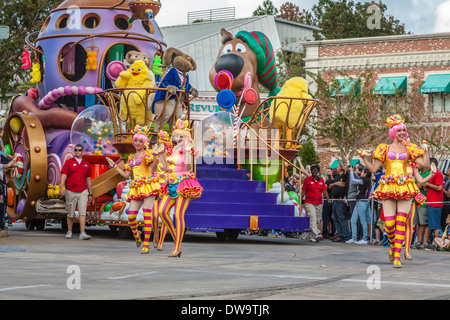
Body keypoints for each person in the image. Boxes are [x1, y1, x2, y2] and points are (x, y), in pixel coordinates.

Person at [360, 114, 430, 268]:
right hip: (389, 186)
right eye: (399, 131)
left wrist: (426, 151)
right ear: (393, 132)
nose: (402, 133)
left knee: (401, 222)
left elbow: (425, 165)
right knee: (390, 224)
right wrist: (364, 158)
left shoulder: (409, 148)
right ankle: (392, 246)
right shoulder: (384, 148)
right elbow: (373, 168)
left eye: (404, 130)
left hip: (405, 186)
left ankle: (397, 256)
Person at [107, 126, 160, 253]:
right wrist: (115, 166)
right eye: (136, 140)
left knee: (147, 214)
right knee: (131, 217)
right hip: (136, 186)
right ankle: (137, 236)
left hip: (148, 185)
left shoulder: (148, 154)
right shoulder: (131, 157)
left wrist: (156, 155)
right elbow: (126, 175)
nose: (137, 143)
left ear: (144, 142)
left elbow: (153, 169)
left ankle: (146, 244)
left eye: (140, 141)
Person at [157, 119, 203, 257]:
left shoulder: (188, 150)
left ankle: (177, 247)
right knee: (162, 211)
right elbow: (165, 168)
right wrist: (160, 154)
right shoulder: (173, 150)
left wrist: (189, 152)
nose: (178, 139)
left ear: (187, 138)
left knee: (178, 215)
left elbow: (188, 167)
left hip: (183, 184)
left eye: (181, 137)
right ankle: (176, 235)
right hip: (171, 183)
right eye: (176, 137)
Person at [60, 144, 93, 240]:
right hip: (70, 190)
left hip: (83, 190)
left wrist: (90, 193)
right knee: (70, 212)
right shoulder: (69, 162)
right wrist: (61, 188)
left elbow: (88, 179)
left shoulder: (87, 163)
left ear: (82, 151)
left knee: (82, 212)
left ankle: (82, 233)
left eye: (79, 150)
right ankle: (69, 231)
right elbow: (64, 175)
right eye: (76, 150)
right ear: (74, 151)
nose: (78, 151)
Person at [301, 164, 331, 243]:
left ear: (318, 171)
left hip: (319, 202)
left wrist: (328, 199)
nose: (314, 172)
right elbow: (303, 191)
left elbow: (324, 190)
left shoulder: (321, 180)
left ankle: (312, 236)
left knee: (317, 220)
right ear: (311, 171)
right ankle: (317, 233)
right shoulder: (307, 180)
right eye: (313, 170)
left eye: (316, 170)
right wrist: (300, 200)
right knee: (313, 218)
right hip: (309, 202)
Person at [346, 168, 372, 244]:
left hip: (363, 202)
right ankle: (354, 238)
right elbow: (353, 180)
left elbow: (353, 180)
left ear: (366, 174)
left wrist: (351, 171)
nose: (361, 173)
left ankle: (365, 239)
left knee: (363, 220)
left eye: (362, 172)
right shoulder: (363, 179)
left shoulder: (366, 180)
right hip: (358, 201)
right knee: (353, 220)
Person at [424, 158, 444, 248]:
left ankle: (437, 244)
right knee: (432, 224)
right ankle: (431, 243)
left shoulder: (437, 174)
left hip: (435, 203)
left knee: (436, 225)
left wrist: (428, 184)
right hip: (431, 202)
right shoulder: (432, 174)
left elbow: (439, 188)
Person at [329, 160, 351, 243]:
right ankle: (340, 235)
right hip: (335, 200)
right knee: (336, 219)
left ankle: (346, 236)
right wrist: (336, 183)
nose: (338, 168)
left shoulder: (345, 175)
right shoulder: (337, 177)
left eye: (338, 166)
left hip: (340, 200)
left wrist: (338, 158)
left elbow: (343, 168)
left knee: (342, 218)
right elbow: (330, 186)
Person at [412, 164, 431, 250]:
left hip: (423, 202)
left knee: (423, 223)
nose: (417, 165)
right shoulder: (418, 174)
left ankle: (422, 241)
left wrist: (417, 186)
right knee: (418, 223)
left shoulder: (428, 174)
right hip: (416, 202)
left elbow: (418, 186)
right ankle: (418, 241)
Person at [0, 156, 17, 231]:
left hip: (1, 188)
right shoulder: (0, 165)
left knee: (2, 204)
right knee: (1, 204)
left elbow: (6, 169)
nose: (0, 158)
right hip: (0, 189)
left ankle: (1, 223)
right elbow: (8, 165)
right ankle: (1, 224)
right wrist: (14, 158)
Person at [322, 168, 337, 239]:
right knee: (329, 218)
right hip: (330, 199)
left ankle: (326, 232)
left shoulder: (329, 181)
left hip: (328, 200)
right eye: (326, 171)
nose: (327, 172)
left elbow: (324, 189)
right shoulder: (332, 181)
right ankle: (330, 232)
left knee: (327, 217)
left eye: (329, 171)